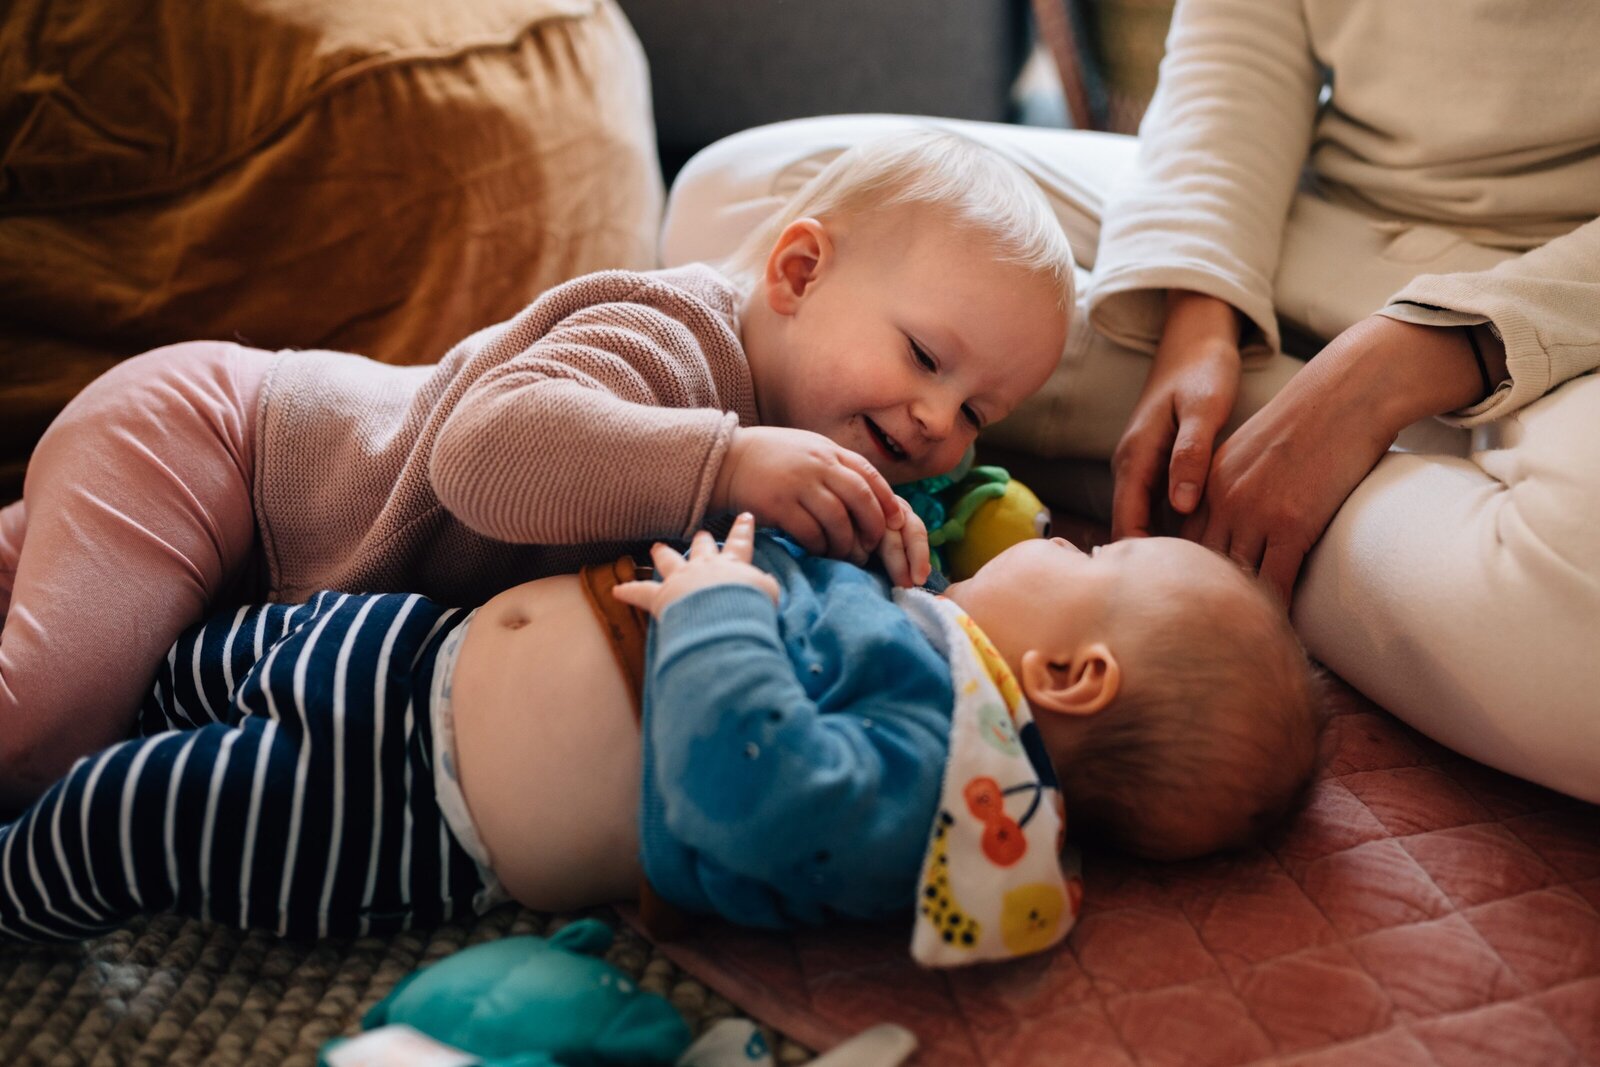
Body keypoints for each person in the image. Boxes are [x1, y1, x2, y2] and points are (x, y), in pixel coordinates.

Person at [654, 3, 1600, 803]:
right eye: (940, 378)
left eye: (974, 413)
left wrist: (1406, 366)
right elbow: (1240, 42)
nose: (939, 428)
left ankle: (1276, 455)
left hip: (1564, 296)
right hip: (1310, 227)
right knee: (736, 198)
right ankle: (1333, 472)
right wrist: (1200, 310)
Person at [0, 130, 1074, 807]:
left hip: (263, 551)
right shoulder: (668, 335)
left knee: (57, 616)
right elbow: (484, 454)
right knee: (42, 732)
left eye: (978, 410)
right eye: (925, 357)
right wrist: (726, 458)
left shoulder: (799, 445)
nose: (937, 420)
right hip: (219, 446)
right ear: (796, 271)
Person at [0, 514, 1323, 944]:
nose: (1049, 532)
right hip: (406, 655)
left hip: (395, 811)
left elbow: (753, 787)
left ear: (1072, 670)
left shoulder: (941, 781)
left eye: (1085, 546)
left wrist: (722, 612)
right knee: (150, 671)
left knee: (134, 810)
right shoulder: (922, 637)